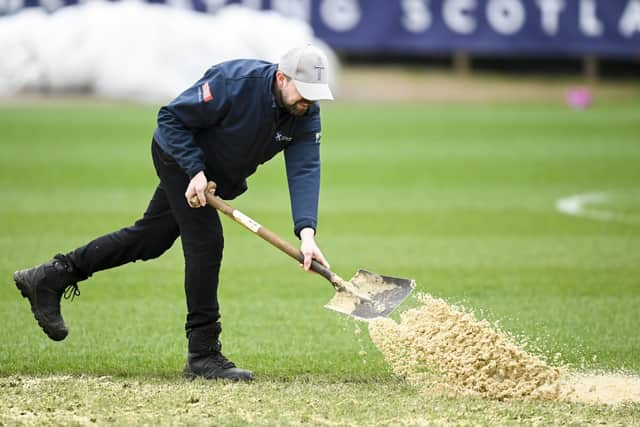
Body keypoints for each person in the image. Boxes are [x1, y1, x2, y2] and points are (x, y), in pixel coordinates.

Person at [13, 44, 334, 382]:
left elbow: (305, 169)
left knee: (149, 239)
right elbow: (170, 120)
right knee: (207, 243)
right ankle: (203, 354)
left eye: (314, 96)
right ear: (282, 78)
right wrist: (194, 171)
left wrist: (307, 234)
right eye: (303, 93)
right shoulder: (235, 82)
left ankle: (50, 276)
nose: (308, 102)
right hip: (180, 155)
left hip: (212, 178)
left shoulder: (305, 112)